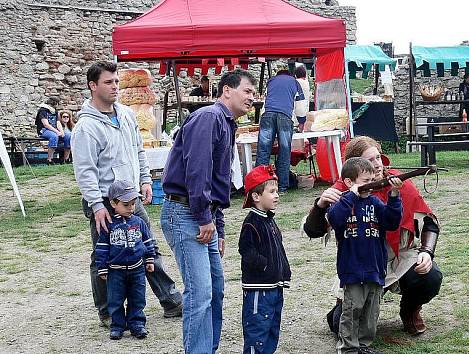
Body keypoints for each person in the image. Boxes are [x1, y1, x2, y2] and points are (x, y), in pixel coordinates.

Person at [72, 61, 183, 328]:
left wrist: (144, 180)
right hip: (105, 201)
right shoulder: (85, 128)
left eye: (117, 81)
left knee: (146, 246)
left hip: (130, 196)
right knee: (104, 255)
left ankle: (170, 300)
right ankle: (107, 310)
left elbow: (138, 151)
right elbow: (85, 171)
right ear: (93, 86)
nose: (115, 87)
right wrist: (97, 205)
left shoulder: (125, 115)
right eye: (108, 82)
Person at [303, 136, 442, 337]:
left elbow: (429, 222)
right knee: (341, 326)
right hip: (359, 263)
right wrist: (320, 205)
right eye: (370, 160)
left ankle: (410, 310)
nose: (377, 165)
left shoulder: (397, 183)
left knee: (429, 277)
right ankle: (342, 308)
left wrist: (427, 253)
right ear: (354, 167)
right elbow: (313, 230)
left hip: (398, 259)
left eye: (378, 158)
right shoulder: (343, 190)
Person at [160, 68, 256, 354]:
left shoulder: (227, 124)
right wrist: (205, 218)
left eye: (253, 92)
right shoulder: (209, 117)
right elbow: (197, 171)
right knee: (200, 293)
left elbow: (218, 180)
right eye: (247, 91)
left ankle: (207, 348)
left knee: (214, 291)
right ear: (227, 90)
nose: (252, 97)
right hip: (185, 212)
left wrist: (218, 224)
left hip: (203, 216)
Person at [327, 157, 402, 354]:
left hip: (375, 268)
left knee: (370, 313)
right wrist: (351, 196)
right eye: (366, 181)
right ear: (349, 183)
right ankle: (349, 349)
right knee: (351, 311)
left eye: (372, 179)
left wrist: (394, 195)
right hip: (352, 269)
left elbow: (392, 222)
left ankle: (364, 346)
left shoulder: (375, 202)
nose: (371, 184)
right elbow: (335, 219)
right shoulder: (342, 202)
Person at [238, 165, 291, 354]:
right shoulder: (252, 222)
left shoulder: (269, 220)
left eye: (277, 191)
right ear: (256, 196)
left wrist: (284, 270)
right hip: (259, 289)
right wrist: (266, 265)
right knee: (257, 330)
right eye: (272, 191)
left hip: (274, 286)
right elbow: (246, 250)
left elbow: (278, 250)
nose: (276, 195)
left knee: (272, 329)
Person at [95, 180, 156, 340]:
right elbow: (101, 248)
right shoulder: (108, 225)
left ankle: (137, 324)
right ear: (113, 203)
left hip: (137, 269)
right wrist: (102, 268)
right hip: (115, 271)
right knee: (115, 299)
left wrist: (149, 259)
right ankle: (117, 325)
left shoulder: (139, 223)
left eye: (133, 204)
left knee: (138, 297)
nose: (131, 208)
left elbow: (148, 242)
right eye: (126, 204)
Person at [255, 68, 305, 192]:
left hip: (268, 114)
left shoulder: (271, 81)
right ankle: (282, 186)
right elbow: (300, 104)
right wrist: (301, 121)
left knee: (263, 151)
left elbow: (265, 100)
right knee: (284, 151)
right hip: (285, 116)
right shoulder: (294, 82)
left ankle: (259, 185)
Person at [36, 97, 71, 164]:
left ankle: (66, 159)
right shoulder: (43, 110)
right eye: (57, 103)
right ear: (54, 103)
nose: (58, 105)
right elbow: (46, 124)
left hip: (54, 129)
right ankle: (49, 160)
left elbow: (58, 123)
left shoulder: (54, 111)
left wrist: (62, 131)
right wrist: (57, 132)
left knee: (68, 136)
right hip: (43, 130)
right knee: (54, 136)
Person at [293, 65, 311, 132]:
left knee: (296, 122)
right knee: (303, 124)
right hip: (305, 105)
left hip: (297, 105)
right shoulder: (307, 83)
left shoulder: (295, 82)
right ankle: (303, 138)